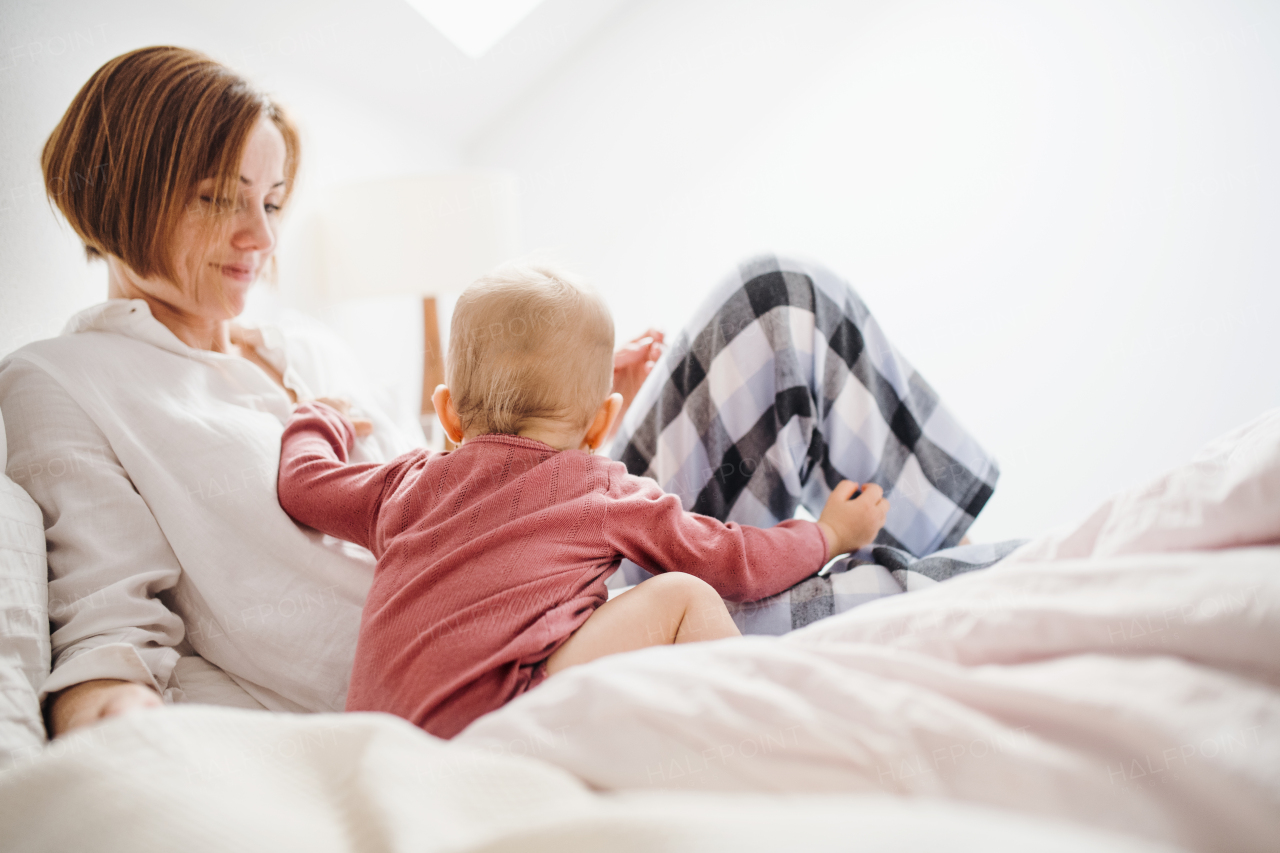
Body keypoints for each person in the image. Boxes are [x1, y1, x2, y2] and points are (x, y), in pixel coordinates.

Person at [0, 46, 997, 740]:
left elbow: (453, 473)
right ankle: (957, 570)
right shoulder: (66, 382)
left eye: (268, 201)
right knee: (850, 573)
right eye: (217, 197)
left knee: (778, 301)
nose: (260, 238)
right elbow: (107, 637)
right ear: (119, 185)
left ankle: (931, 543)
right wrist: (114, 743)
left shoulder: (307, 342)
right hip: (494, 665)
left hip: (555, 548)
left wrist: (558, 412)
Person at [276, 265, 890, 738]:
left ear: (445, 414)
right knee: (684, 595)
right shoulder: (603, 494)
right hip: (493, 725)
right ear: (603, 425)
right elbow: (736, 562)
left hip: (375, 742)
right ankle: (764, 736)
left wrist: (317, 414)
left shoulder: (402, 486)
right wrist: (829, 534)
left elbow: (302, 485)